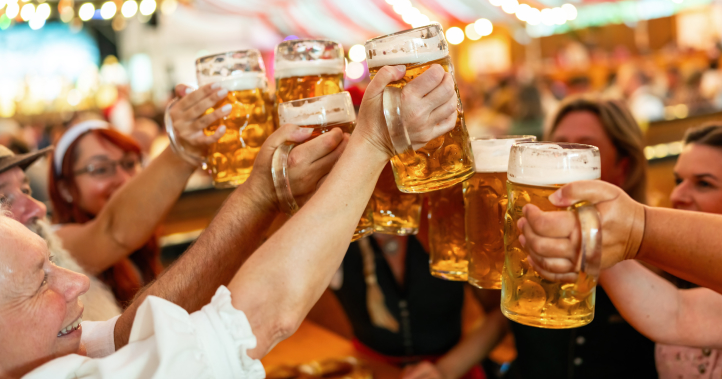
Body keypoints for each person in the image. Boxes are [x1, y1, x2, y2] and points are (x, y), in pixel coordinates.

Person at [0, 63, 459, 378]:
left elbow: (130, 332)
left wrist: (263, 194)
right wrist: (374, 142)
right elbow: (256, 320)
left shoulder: (45, 352)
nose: (76, 282)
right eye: (41, 280)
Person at [601, 124, 722, 377]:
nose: (677, 195)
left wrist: (630, 228)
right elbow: (674, 310)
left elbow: (678, 313)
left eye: (704, 184)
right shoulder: (674, 276)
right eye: (678, 180)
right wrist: (595, 235)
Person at [45, 84, 235, 309]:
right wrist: (184, 150)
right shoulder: (57, 246)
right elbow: (114, 231)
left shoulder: (139, 248)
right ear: (66, 189)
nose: (124, 180)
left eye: (128, 164)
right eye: (101, 169)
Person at [508, 97, 656, 378]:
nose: (564, 159)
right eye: (558, 145)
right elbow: (495, 319)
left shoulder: (656, 263)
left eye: (582, 149)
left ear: (622, 169)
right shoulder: (526, 247)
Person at [331, 230, 508, 379]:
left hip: (455, 368)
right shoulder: (337, 235)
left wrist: (445, 370)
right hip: (370, 371)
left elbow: (499, 313)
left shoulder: (448, 222)